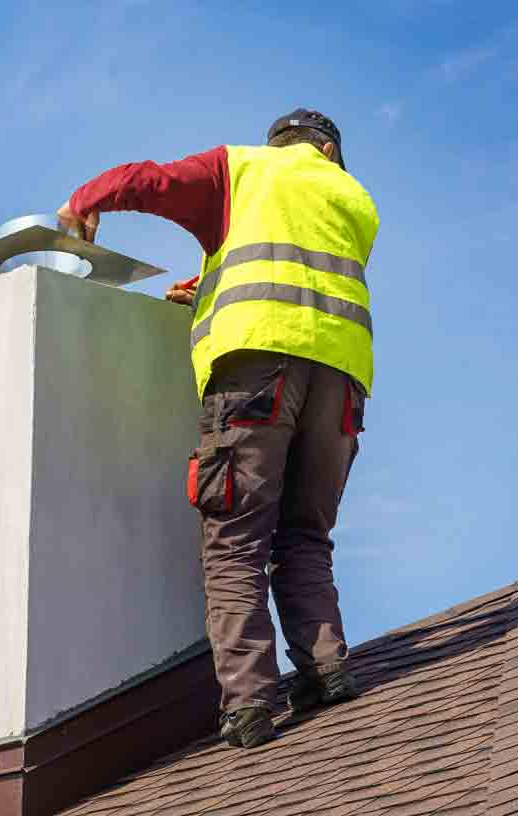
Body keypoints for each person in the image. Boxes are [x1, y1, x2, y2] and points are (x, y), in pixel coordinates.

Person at [57, 109, 378, 750]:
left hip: (256, 372)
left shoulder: (244, 168)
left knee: (235, 539)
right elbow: (295, 272)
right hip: (339, 381)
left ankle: (251, 703)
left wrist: (82, 200)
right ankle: (327, 669)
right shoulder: (353, 198)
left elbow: (149, 180)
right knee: (305, 535)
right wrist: (206, 285)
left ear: (280, 143)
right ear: (327, 149)